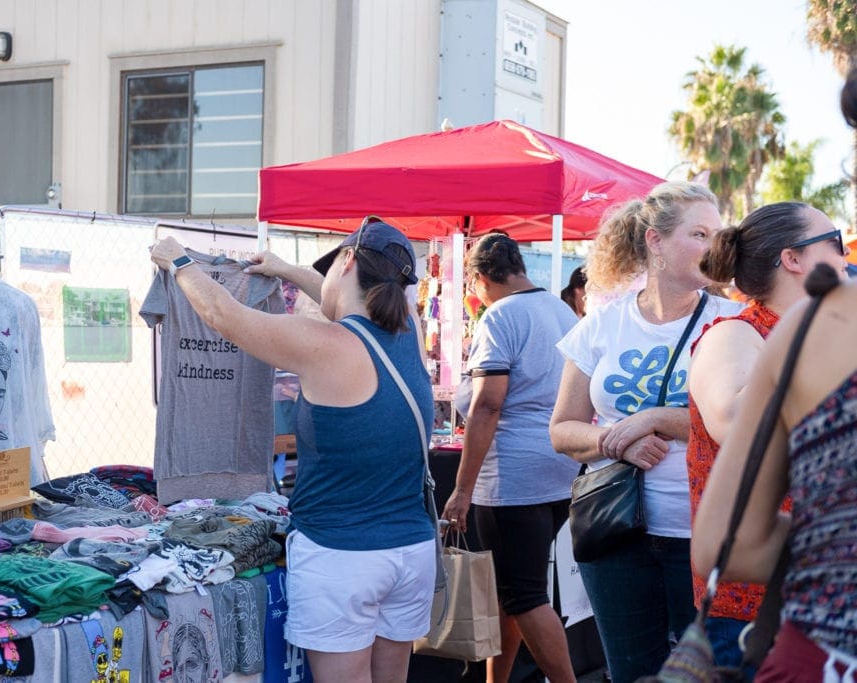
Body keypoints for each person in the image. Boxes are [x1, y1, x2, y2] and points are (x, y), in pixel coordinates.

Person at [149, 217, 435, 683]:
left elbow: (226, 316)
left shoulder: (324, 344)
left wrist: (177, 259)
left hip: (343, 558)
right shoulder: (409, 336)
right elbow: (341, 300)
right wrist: (285, 268)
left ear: (347, 262)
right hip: (411, 554)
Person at [692, 65, 857, 682]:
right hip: (761, 616)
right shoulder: (748, 332)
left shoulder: (810, 336)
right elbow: (727, 415)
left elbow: (729, 543)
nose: (843, 255)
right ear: (793, 261)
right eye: (834, 240)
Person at [549, 181, 743, 683]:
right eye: (699, 233)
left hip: (704, 536)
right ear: (655, 241)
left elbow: (749, 423)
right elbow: (562, 430)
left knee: (708, 674)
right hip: (617, 534)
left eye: (717, 235)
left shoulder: (734, 322)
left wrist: (655, 419)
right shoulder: (602, 324)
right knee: (630, 673)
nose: (713, 246)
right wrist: (618, 440)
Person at [441, 233, 580, 683]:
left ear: (481, 279)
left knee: (523, 593)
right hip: (559, 469)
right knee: (512, 589)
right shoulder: (560, 311)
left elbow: (487, 405)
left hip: (513, 476)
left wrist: (462, 490)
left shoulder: (500, 316)